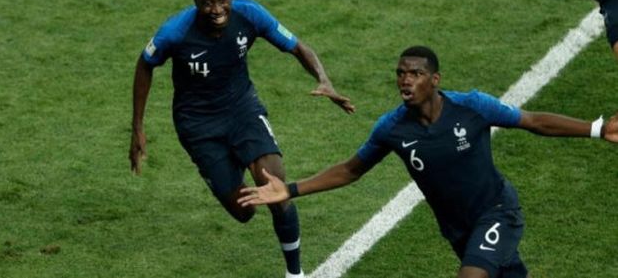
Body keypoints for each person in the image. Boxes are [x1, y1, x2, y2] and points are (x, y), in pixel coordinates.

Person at [239, 46, 618, 278]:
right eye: (401, 73)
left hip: (497, 212)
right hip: (457, 228)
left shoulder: (471, 106)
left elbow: (534, 121)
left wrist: (597, 129)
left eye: (415, 74)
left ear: (434, 80)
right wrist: (288, 189)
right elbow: (350, 170)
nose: (405, 80)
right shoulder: (392, 128)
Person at [129, 0, 355, 278]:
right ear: (196, 3)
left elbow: (296, 46)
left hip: (242, 110)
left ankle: (295, 273)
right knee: (244, 211)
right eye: (207, 2)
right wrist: (137, 127)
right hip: (198, 126)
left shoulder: (250, 14)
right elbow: (145, 64)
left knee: (275, 186)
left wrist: (324, 79)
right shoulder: (175, 32)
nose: (217, 9)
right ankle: (228, 165)